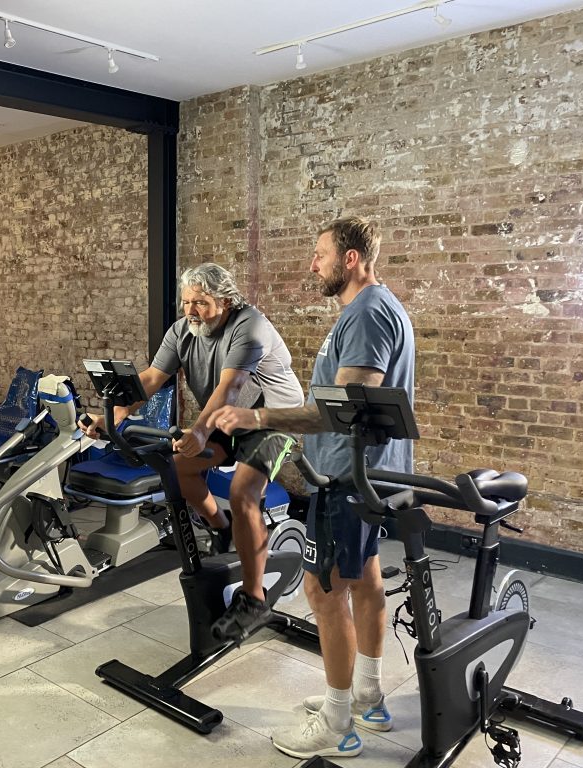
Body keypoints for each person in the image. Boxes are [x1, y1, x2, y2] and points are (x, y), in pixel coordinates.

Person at [208, 216, 414, 760]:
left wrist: (256, 418)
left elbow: (339, 411)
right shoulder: (369, 310)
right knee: (365, 580)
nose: (313, 264)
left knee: (324, 592)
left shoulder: (368, 313)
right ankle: (367, 697)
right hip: (358, 473)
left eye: (320, 254)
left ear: (350, 258)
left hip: (349, 476)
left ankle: (337, 724)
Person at [80, 262, 304, 639]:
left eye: (200, 302)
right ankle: (222, 528)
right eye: (186, 302)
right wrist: (113, 415)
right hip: (228, 416)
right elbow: (152, 378)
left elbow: (230, 388)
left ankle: (254, 601)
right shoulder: (183, 330)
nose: (190, 311)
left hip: (272, 418)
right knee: (179, 469)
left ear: (226, 301)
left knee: (243, 493)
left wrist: (200, 431)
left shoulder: (250, 327)